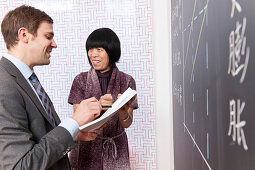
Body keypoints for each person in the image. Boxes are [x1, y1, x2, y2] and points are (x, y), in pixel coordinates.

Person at [0, 5, 102, 170]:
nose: (54, 44)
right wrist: (73, 121)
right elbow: (21, 165)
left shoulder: (25, 78)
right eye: (48, 36)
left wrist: (72, 134)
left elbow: (39, 138)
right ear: (24, 35)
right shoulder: (4, 85)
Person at [68, 27, 138, 170]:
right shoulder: (80, 80)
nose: (93, 54)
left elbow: (127, 123)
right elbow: (77, 120)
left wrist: (123, 111)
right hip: (86, 148)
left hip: (116, 148)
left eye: (99, 50)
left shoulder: (127, 81)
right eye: (90, 49)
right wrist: (97, 106)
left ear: (111, 51)